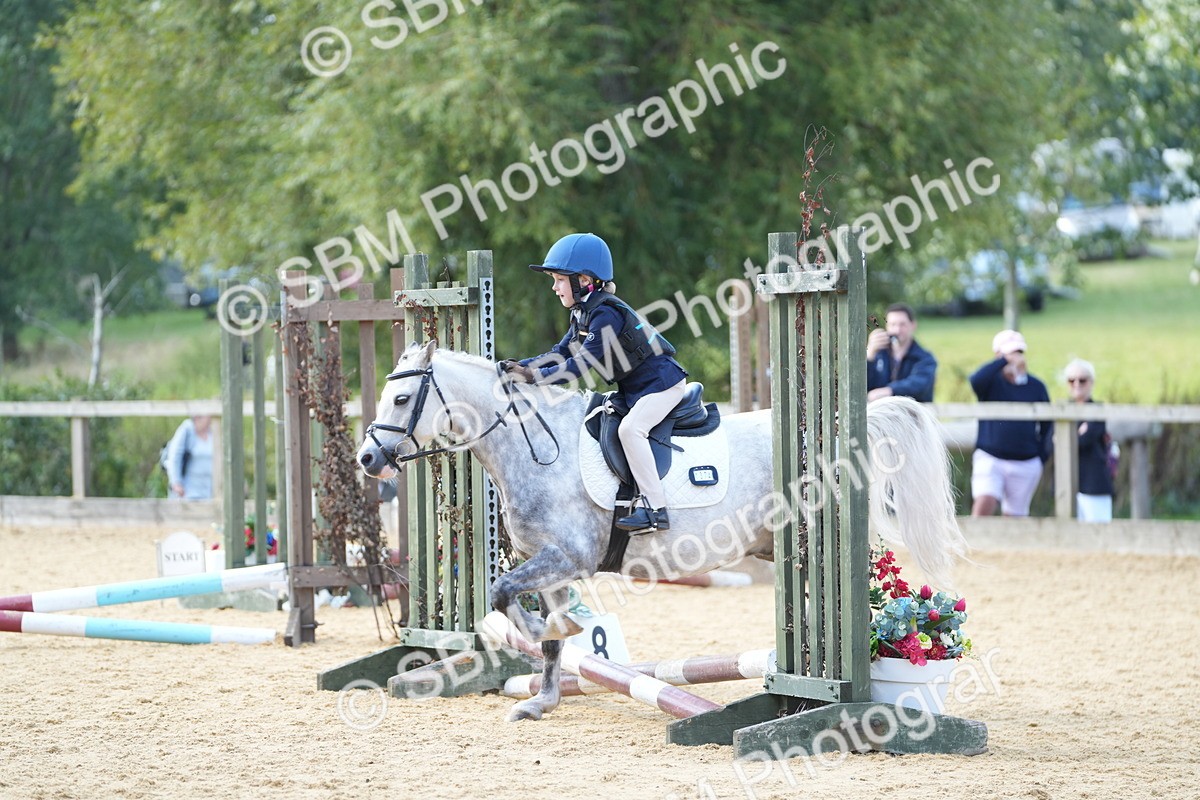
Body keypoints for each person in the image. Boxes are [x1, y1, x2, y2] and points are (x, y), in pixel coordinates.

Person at [499, 232, 687, 533]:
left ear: (584, 280)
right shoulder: (584, 313)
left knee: (630, 430)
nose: (554, 287)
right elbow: (561, 352)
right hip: (637, 389)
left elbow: (579, 365)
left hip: (662, 385)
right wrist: (522, 366)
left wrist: (534, 378)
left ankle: (656, 510)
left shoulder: (606, 314)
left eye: (559, 280)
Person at [968, 330, 1052, 517]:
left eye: (1019, 352)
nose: (1015, 358)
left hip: (1026, 461)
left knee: (1015, 517)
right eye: (1009, 353)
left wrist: (1041, 455)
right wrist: (1004, 361)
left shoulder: (1036, 386)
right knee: (983, 505)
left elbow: (1048, 424)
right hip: (991, 457)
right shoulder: (990, 383)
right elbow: (975, 380)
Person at [1064, 358, 1114, 522]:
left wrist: (1064, 438)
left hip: (1094, 484)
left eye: (1082, 380)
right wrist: (1079, 433)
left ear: (1091, 382)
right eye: (1072, 380)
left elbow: (1084, 440)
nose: (1077, 384)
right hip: (1065, 487)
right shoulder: (1062, 410)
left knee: (1099, 531)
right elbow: (1050, 446)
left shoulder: (1097, 409)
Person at [866, 302, 937, 402]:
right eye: (892, 324)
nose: (897, 330)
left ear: (913, 325)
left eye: (902, 324)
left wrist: (890, 390)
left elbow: (919, 384)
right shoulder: (878, 354)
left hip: (913, 411)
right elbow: (863, 384)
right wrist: (869, 355)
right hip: (881, 410)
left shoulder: (925, 358)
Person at [166, 414, 214, 500]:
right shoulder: (187, 429)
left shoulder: (214, 431)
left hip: (210, 493)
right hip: (189, 492)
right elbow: (174, 455)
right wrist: (176, 482)